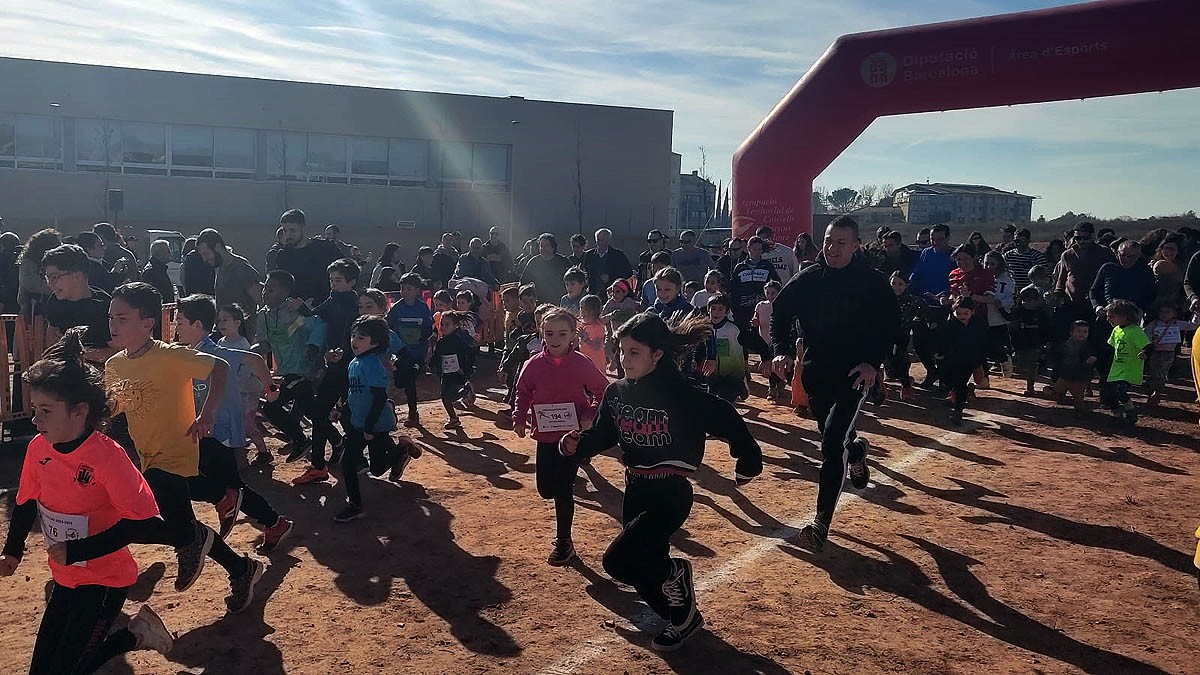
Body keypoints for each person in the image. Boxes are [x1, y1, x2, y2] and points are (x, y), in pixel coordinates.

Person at [560, 312, 762, 651]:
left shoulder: (679, 393)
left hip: (670, 493)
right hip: (635, 489)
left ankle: (676, 575)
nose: (624, 360)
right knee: (640, 563)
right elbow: (603, 433)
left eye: (634, 352)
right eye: (622, 351)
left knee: (618, 561)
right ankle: (681, 618)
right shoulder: (617, 392)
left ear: (658, 354)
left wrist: (747, 458)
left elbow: (724, 415)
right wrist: (578, 443)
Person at [1, 328, 174, 673]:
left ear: (79, 411)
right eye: (35, 408)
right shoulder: (38, 448)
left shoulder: (108, 458)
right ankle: (136, 633)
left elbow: (146, 521)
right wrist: (13, 550)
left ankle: (132, 636)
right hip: (66, 575)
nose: (35, 420)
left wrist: (79, 551)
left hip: (106, 580)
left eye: (46, 411)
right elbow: (25, 501)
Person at [102, 282, 266, 612]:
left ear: (147, 323)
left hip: (178, 451)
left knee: (162, 523)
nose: (112, 324)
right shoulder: (114, 365)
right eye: (110, 317)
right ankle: (240, 568)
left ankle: (200, 542)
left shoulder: (169, 354)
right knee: (184, 527)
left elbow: (219, 368)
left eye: (121, 317)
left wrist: (207, 414)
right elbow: (114, 406)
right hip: (148, 453)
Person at [770, 216, 898, 552]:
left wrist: (874, 363)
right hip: (816, 373)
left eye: (841, 242)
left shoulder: (872, 283)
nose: (832, 248)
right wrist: (782, 351)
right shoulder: (809, 278)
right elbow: (779, 313)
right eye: (828, 241)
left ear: (856, 246)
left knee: (830, 445)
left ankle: (820, 523)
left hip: (854, 375)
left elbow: (890, 325)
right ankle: (856, 452)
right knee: (833, 436)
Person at [174, 296, 294, 552]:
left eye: (180, 322)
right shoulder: (190, 353)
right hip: (208, 429)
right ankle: (273, 522)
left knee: (196, 479)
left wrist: (270, 388)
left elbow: (255, 360)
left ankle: (267, 519)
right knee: (231, 486)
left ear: (197, 325)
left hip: (219, 428)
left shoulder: (213, 350)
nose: (175, 326)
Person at [513, 308, 609, 565]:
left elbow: (603, 392)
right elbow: (522, 391)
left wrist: (589, 414)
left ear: (572, 337)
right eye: (549, 333)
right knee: (546, 489)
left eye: (562, 333)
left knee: (562, 489)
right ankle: (563, 493)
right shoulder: (532, 364)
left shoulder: (581, 363)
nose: (555, 338)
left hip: (571, 437)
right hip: (545, 436)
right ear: (542, 334)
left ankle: (564, 542)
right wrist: (519, 418)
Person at [335, 315, 422, 523]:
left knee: (377, 468)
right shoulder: (354, 363)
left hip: (376, 425)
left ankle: (403, 449)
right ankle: (355, 504)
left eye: (361, 338)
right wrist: (343, 409)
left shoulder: (373, 364)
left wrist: (370, 426)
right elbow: (355, 393)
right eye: (353, 336)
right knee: (347, 464)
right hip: (358, 423)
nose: (354, 341)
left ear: (375, 342)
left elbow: (379, 396)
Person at [290, 258, 359, 485]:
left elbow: (352, 330)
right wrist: (300, 307)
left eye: (338, 280)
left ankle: (366, 455)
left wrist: (341, 350)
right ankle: (318, 465)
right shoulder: (332, 300)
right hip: (336, 365)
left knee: (355, 415)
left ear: (352, 282)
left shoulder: (355, 303)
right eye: (331, 279)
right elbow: (314, 314)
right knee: (320, 413)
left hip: (353, 366)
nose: (333, 284)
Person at [253, 271, 329, 465]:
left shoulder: (296, 311)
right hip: (285, 371)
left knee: (271, 408)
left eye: (271, 290)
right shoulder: (263, 316)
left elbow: (319, 326)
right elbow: (265, 343)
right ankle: (337, 442)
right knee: (312, 411)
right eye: (264, 288)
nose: (265, 293)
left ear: (286, 292)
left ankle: (301, 440)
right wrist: (250, 352)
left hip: (302, 370)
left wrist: (313, 346)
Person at [40, 244, 118, 363]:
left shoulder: (104, 307)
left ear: (77, 276)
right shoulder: (55, 301)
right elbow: (51, 338)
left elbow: (118, 351)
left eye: (54, 277)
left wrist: (78, 352)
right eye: (47, 278)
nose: (49, 284)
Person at [215, 303, 271, 465]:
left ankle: (263, 451)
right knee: (230, 420)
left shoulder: (244, 345)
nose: (221, 324)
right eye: (220, 320)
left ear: (237, 323)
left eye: (225, 320)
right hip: (231, 391)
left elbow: (245, 372)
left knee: (247, 423)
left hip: (247, 391)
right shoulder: (221, 342)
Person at [388, 273, 435, 428]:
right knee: (400, 382)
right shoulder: (397, 308)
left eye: (409, 288)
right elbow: (388, 326)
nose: (404, 291)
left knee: (410, 383)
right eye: (402, 288)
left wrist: (423, 338)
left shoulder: (422, 308)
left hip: (416, 353)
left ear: (417, 290)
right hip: (401, 352)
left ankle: (412, 412)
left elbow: (429, 327)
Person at [196, 229, 263, 337]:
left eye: (206, 254)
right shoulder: (220, 268)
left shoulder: (241, 269)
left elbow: (262, 300)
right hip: (223, 334)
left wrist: (260, 334)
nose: (204, 259)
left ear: (217, 247)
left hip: (241, 337)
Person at [934, 297, 990, 426]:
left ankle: (958, 412)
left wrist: (982, 360)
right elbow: (944, 340)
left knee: (960, 385)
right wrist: (941, 352)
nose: (962, 316)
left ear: (972, 312)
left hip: (970, 359)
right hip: (952, 359)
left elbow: (985, 342)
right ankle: (965, 391)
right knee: (946, 381)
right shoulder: (950, 323)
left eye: (966, 313)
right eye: (958, 313)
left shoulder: (979, 323)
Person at [274, 209, 343, 305]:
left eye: (292, 230)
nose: (288, 235)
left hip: (327, 309)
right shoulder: (283, 256)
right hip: (296, 312)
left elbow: (347, 271)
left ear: (302, 227)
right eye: (285, 230)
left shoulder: (325, 248)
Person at [1100, 299, 1150, 424]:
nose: (1108, 319)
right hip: (1116, 368)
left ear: (1124, 316)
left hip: (1129, 369)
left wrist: (1145, 353)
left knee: (1119, 391)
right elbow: (1111, 346)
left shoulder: (1135, 331)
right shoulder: (1116, 330)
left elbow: (1149, 346)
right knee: (1108, 393)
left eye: (1111, 316)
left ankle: (1131, 411)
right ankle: (1117, 414)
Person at [432, 310, 476, 430]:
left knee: (447, 397)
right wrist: (432, 364)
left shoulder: (458, 340)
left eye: (447, 324)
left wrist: (468, 368)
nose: (444, 327)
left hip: (458, 373)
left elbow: (470, 352)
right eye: (442, 324)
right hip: (445, 373)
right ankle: (453, 418)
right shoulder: (441, 342)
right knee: (445, 397)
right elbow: (437, 356)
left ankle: (465, 392)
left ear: (455, 326)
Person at [1144, 304, 1195, 406]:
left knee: (1162, 372)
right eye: (1162, 312)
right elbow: (1144, 333)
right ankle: (1152, 390)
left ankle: (1157, 392)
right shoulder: (1154, 324)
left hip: (1168, 354)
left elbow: (1193, 325)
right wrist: (1151, 338)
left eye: (1168, 312)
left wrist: (1196, 313)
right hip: (1155, 352)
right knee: (1153, 372)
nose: (1164, 314)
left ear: (1174, 314)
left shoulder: (1176, 323)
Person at [1090, 240, 1157, 319]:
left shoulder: (1145, 271)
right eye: (1122, 255)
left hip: (1132, 317)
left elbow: (1151, 294)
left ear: (1138, 256)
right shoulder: (1108, 268)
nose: (1126, 259)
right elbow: (1094, 291)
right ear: (1117, 254)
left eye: (1131, 256)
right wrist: (1097, 306)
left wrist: (1142, 309)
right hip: (1108, 315)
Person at [704, 293, 749, 402]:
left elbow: (751, 341)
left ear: (726, 312)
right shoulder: (704, 329)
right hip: (712, 375)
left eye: (720, 309)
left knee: (724, 400)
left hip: (732, 374)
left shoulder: (734, 329)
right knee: (711, 401)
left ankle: (741, 384)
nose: (716, 312)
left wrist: (765, 356)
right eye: (713, 309)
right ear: (708, 310)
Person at [1009, 286, 1052, 396]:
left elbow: (1047, 328)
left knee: (1031, 366)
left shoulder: (1041, 313)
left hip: (1035, 344)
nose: (1027, 303)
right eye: (1024, 300)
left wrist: (1047, 341)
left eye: (1031, 300)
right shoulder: (1019, 311)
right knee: (1021, 366)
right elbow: (1010, 322)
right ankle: (1031, 379)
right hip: (1020, 344)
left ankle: (1030, 387)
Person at [1047, 320, 1096, 415]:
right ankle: (1063, 399)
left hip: (1080, 378)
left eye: (1085, 331)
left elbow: (1092, 362)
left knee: (1079, 401)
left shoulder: (1090, 346)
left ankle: (1080, 410)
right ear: (1071, 333)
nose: (1082, 334)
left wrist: (1092, 360)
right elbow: (1056, 361)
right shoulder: (1064, 346)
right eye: (1078, 331)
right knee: (1050, 391)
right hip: (1065, 376)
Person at [981, 251, 1016, 378]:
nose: (989, 267)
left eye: (992, 264)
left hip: (998, 319)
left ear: (999, 264)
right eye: (986, 263)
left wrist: (1001, 303)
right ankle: (983, 377)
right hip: (982, 316)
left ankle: (1004, 359)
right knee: (980, 347)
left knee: (997, 346)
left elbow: (1012, 298)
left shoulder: (1006, 280)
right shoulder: (980, 277)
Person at [885, 272, 919, 402]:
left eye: (900, 284)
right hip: (885, 334)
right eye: (893, 283)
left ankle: (905, 386)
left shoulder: (912, 300)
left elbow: (925, 316)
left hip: (902, 334)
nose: (896, 287)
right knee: (887, 358)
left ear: (906, 285)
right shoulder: (884, 298)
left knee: (899, 357)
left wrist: (917, 323)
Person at [752, 280, 785, 399]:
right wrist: (754, 322)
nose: (770, 296)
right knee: (768, 364)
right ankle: (776, 383)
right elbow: (755, 320)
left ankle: (773, 387)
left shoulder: (782, 304)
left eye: (773, 293)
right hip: (763, 341)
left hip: (776, 340)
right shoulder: (760, 305)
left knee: (774, 364)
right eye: (768, 293)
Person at [520, 233, 572, 304]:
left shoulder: (563, 262)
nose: (543, 248)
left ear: (553, 247)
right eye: (541, 246)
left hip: (559, 301)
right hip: (540, 302)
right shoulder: (534, 262)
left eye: (546, 246)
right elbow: (524, 281)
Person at [601, 279, 638, 378]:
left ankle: (627, 375)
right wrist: (612, 315)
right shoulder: (610, 303)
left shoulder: (629, 302)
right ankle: (614, 361)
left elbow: (632, 312)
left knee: (625, 354)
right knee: (606, 348)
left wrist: (619, 315)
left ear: (625, 292)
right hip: (614, 334)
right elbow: (601, 319)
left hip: (628, 334)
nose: (615, 294)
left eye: (618, 292)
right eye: (613, 292)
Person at [908, 224, 955, 301]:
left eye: (940, 239)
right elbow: (917, 273)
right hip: (925, 299)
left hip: (944, 300)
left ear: (948, 238)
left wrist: (945, 294)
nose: (935, 242)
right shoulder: (926, 252)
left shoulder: (955, 255)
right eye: (932, 239)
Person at [581, 228, 634, 296]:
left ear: (608, 240)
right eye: (598, 240)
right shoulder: (589, 255)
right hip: (593, 292)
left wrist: (611, 277)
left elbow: (628, 272)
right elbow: (584, 271)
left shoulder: (618, 255)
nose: (600, 243)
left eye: (603, 240)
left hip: (612, 294)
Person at [1151, 234, 1186, 311]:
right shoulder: (1156, 264)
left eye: (1172, 249)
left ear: (1178, 251)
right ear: (1161, 250)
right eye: (1166, 248)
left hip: (1176, 305)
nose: (1169, 252)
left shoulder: (1183, 266)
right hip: (1156, 304)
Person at [577, 295, 607, 373]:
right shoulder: (580, 324)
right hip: (585, 362)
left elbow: (597, 346)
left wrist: (586, 339)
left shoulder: (598, 326)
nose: (582, 311)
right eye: (581, 308)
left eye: (586, 309)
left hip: (597, 364)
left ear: (594, 311)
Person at [141, 239, 176, 304]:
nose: (170, 253)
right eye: (168, 251)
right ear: (159, 253)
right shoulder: (151, 271)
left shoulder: (160, 269)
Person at [637, 229, 668, 295]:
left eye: (655, 241)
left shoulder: (668, 255)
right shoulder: (643, 256)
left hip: (664, 289)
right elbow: (640, 276)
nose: (652, 243)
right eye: (649, 241)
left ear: (661, 241)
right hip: (646, 289)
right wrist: (638, 291)